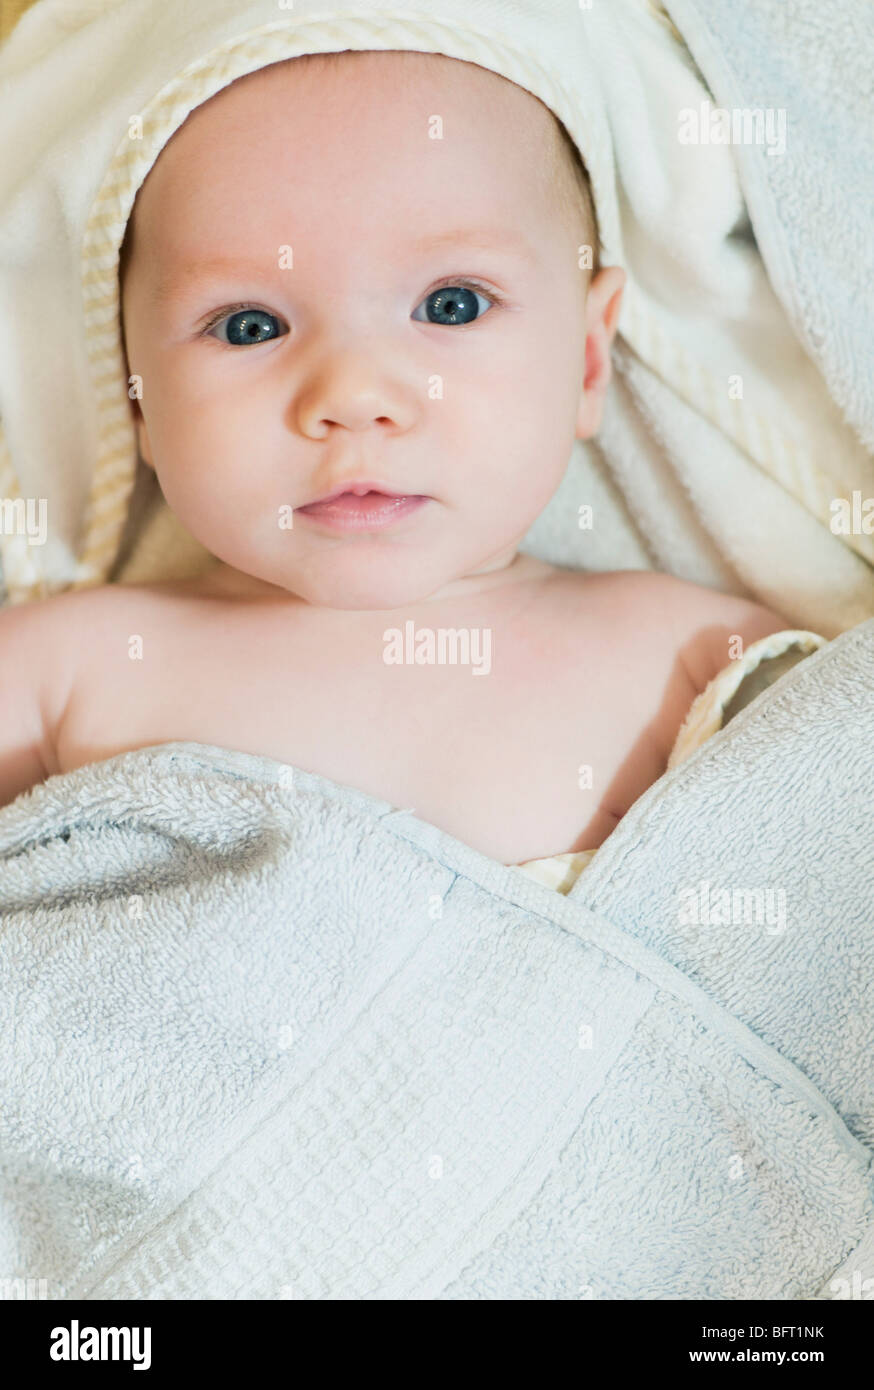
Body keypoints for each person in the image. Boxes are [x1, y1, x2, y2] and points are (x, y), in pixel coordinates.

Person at [0, 48, 809, 873]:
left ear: (589, 361)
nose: (352, 397)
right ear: (137, 395)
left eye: (450, 306)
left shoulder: (699, 657)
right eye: (250, 325)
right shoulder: (57, 669)